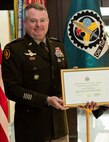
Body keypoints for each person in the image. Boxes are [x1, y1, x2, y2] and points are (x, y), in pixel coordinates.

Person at [2, 2, 69, 142]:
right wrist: (46, 100)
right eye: (33, 21)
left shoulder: (58, 46)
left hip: (59, 126)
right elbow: (12, 90)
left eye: (42, 20)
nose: (39, 25)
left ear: (48, 22)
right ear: (25, 23)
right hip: (31, 127)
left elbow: (65, 80)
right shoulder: (14, 50)